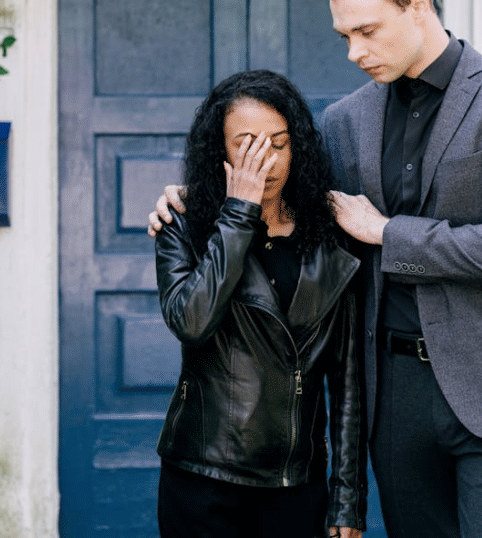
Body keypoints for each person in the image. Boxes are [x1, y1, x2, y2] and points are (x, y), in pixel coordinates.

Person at [151, 0, 482, 538]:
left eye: (366, 31)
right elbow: (288, 198)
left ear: (417, 4)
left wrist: (388, 232)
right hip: (390, 395)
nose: (353, 52)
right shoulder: (343, 121)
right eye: (345, 35)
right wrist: (188, 198)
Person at [153, 69, 366, 538]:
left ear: (298, 148)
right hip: (203, 478)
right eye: (245, 144)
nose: (264, 161)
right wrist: (238, 213)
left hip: (294, 484)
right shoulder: (182, 227)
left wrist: (347, 499)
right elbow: (191, 320)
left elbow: (347, 380)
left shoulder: (331, 238)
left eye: (278, 143)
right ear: (218, 150)